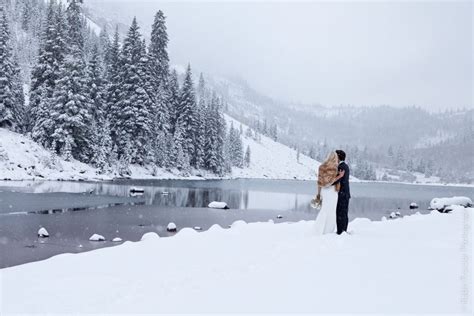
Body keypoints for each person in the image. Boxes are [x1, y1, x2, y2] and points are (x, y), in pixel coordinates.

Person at [313, 152, 341, 235]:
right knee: (331, 211)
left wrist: (318, 193)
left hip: (323, 191)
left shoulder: (321, 167)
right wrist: (339, 176)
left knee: (324, 210)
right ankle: (328, 231)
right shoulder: (334, 168)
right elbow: (330, 182)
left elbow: (319, 182)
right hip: (331, 191)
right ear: (335, 158)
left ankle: (318, 229)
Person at [332, 150, 351, 235]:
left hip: (342, 194)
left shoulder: (341, 167)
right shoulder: (345, 166)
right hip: (345, 193)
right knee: (343, 212)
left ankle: (341, 232)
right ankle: (343, 230)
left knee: (340, 212)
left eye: (335, 156)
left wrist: (328, 181)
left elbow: (334, 182)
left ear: (339, 157)